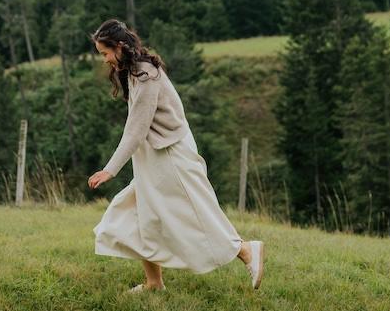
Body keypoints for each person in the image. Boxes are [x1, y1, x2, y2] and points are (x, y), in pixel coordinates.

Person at [87, 19, 264, 292]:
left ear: (120, 47)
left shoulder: (146, 75)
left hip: (169, 154)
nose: (105, 59)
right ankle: (154, 283)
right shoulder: (134, 71)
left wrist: (110, 170)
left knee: (192, 211)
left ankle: (245, 250)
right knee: (139, 214)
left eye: (105, 53)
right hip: (152, 156)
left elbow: (136, 130)